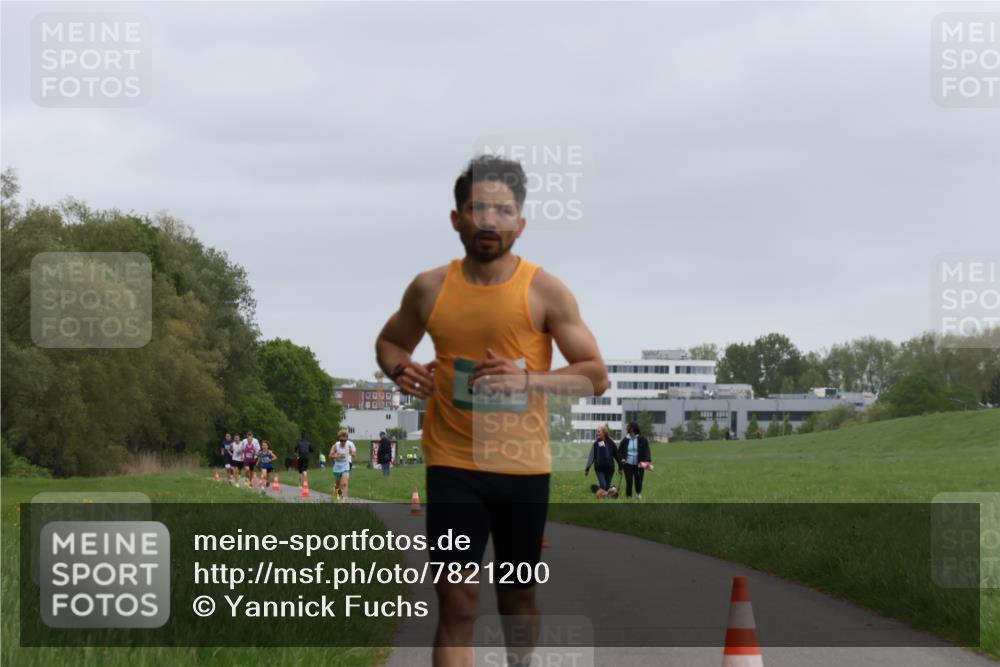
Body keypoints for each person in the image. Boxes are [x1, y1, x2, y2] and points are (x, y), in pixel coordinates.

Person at [375, 154, 608, 667]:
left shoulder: (545, 291)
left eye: (503, 211)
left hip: (523, 468)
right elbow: (391, 342)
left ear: (520, 224)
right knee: (457, 599)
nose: (490, 221)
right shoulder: (429, 288)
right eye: (478, 209)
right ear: (457, 218)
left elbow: (595, 374)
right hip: (453, 464)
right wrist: (399, 369)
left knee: (516, 599)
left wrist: (528, 378)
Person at [619, 421, 652, 500]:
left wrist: (647, 460)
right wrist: (622, 458)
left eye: (633, 431)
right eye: (630, 431)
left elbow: (646, 450)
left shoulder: (642, 439)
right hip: (628, 464)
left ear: (636, 430)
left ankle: (638, 493)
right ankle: (628, 497)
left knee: (639, 480)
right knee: (629, 481)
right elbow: (619, 451)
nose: (631, 433)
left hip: (639, 464)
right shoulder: (625, 440)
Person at [584, 426, 618, 498]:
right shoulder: (596, 444)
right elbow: (591, 457)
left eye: (599, 431)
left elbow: (616, 454)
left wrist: (621, 466)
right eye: (597, 431)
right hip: (599, 469)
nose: (597, 433)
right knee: (603, 485)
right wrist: (587, 469)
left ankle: (607, 491)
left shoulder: (611, 443)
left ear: (604, 433)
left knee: (607, 486)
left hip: (610, 468)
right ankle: (605, 493)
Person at [329, 430, 357, 501]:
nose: (343, 442)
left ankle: (344, 500)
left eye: (345, 440)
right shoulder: (336, 445)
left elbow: (354, 455)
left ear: (346, 439)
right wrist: (337, 456)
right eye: (341, 440)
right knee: (337, 484)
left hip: (345, 466)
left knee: (344, 483)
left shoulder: (348, 445)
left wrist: (352, 453)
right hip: (337, 467)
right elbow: (330, 456)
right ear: (339, 439)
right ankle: (337, 496)